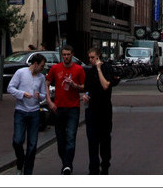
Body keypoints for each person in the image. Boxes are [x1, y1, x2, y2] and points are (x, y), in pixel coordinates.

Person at [46, 44, 86, 174]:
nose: (66, 57)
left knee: (71, 136)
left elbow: (84, 86)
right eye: (64, 55)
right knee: (60, 138)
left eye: (68, 55)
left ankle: (67, 165)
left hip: (73, 107)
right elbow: (46, 83)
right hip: (58, 107)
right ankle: (65, 162)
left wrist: (75, 85)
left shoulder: (79, 69)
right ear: (61, 55)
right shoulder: (55, 68)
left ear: (72, 55)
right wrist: (49, 101)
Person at [7, 53, 47, 175]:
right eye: (41, 66)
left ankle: (28, 172)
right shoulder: (21, 72)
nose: (42, 68)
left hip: (34, 112)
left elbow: (44, 95)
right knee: (18, 140)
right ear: (35, 64)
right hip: (21, 111)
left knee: (32, 144)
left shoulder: (41, 77)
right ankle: (20, 161)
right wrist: (22, 94)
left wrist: (40, 96)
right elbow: (10, 88)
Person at [82, 46, 116, 175]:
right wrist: (86, 95)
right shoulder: (89, 72)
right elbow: (88, 88)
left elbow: (105, 85)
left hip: (104, 110)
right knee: (92, 141)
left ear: (98, 57)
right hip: (92, 110)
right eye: (89, 58)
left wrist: (99, 69)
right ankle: (93, 169)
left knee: (105, 140)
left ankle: (105, 165)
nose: (90, 60)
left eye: (93, 57)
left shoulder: (107, 68)